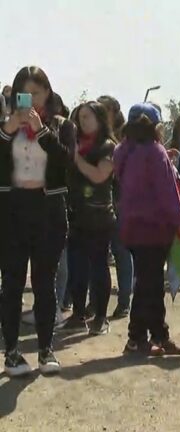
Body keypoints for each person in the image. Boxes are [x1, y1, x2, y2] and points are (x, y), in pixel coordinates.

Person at [0, 66, 73, 376]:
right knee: (12, 283)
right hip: (11, 209)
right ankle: (13, 351)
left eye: (38, 92)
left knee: (45, 283)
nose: (31, 99)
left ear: (48, 93)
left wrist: (41, 130)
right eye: (25, 92)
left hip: (48, 209)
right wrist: (7, 131)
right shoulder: (5, 126)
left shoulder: (60, 125)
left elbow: (66, 162)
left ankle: (46, 349)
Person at [114, 103, 180, 355]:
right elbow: (167, 193)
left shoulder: (123, 151)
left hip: (132, 227)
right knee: (148, 285)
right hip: (154, 228)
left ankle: (157, 335)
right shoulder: (154, 151)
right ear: (156, 125)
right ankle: (137, 337)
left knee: (147, 283)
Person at [59, 101, 117, 335]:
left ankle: (101, 317)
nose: (83, 121)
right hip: (75, 215)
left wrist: (75, 158)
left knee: (98, 266)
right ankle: (78, 313)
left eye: (88, 117)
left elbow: (98, 175)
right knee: (76, 267)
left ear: (100, 119)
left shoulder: (108, 146)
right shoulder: (73, 144)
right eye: (80, 117)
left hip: (99, 215)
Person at [97, 95, 133, 318]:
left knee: (121, 252)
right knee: (98, 255)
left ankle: (124, 300)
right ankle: (96, 303)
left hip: (119, 203)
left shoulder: (122, 141)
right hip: (97, 205)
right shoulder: (92, 139)